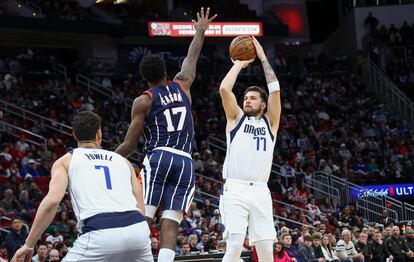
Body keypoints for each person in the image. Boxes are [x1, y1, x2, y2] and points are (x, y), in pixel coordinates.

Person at [115, 7, 217, 262]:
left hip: (159, 156)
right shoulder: (183, 84)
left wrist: (104, 159)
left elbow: (129, 146)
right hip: (185, 160)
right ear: (165, 72)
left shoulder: (144, 100)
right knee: (170, 223)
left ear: (144, 79)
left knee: (144, 218)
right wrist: (200, 31)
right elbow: (191, 57)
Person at [11, 111, 153, 262]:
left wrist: (29, 244)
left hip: (100, 232)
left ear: (74, 135)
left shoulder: (65, 162)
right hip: (138, 230)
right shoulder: (123, 161)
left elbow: (52, 202)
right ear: (99, 133)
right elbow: (140, 204)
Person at [219, 36, 281, 262]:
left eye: (253, 98)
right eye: (245, 97)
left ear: (263, 104)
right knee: (234, 245)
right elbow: (225, 89)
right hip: (235, 188)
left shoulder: (271, 123)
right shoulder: (236, 119)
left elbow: (275, 89)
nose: (247, 100)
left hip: (261, 191)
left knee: (266, 252)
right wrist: (239, 63)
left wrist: (263, 57)